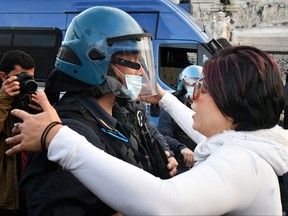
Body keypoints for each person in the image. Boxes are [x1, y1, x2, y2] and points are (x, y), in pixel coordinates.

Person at [6, 45, 288, 215]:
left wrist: (56, 137)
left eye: (203, 89)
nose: (192, 97)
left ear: (232, 103)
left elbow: (164, 204)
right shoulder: (246, 143)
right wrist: (163, 98)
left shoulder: (242, 162)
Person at [18, 6, 177, 216]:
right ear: (100, 64)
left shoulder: (118, 115)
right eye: (135, 62)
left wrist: (159, 157)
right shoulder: (71, 133)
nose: (142, 72)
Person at [0, 50, 39, 216]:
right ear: (3, 77)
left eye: (30, 77)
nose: (26, 82)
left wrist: (43, 113)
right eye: (20, 77)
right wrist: (3, 101)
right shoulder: (2, 101)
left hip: (29, 192)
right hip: (5, 194)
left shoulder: (30, 100)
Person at [158, 65, 202, 173]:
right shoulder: (172, 108)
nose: (194, 86)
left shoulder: (205, 106)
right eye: (190, 83)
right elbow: (163, 136)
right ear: (182, 83)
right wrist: (181, 148)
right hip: (180, 164)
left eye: (198, 84)